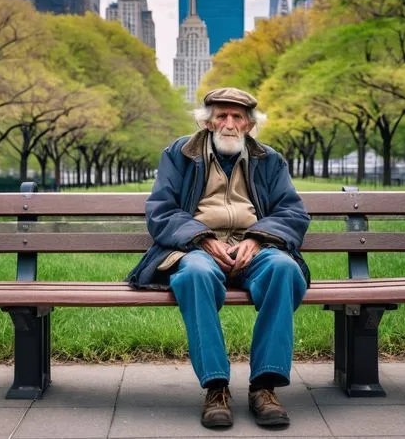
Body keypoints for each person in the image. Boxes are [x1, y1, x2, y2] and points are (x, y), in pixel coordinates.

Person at [127, 87, 310, 428]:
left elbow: (291, 211)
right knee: (193, 274)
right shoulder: (179, 153)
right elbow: (161, 210)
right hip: (196, 248)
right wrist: (202, 238)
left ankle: (264, 387)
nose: (229, 123)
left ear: (249, 125)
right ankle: (216, 387)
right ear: (207, 122)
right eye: (221, 116)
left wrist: (257, 239)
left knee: (284, 269)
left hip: (255, 248)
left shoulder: (270, 159)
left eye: (237, 117)